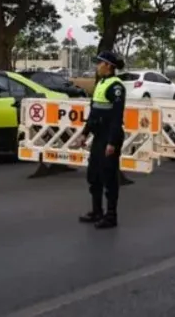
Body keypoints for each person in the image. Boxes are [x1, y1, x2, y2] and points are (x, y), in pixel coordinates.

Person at [73, 51, 127, 230]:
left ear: (109, 66)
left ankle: (111, 216)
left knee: (109, 178)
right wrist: (84, 134)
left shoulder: (116, 87)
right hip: (98, 137)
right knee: (94, 175)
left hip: (109, 137)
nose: (97, 66)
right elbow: (94, 114)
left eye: (100, 63)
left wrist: (112, 143)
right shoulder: (101, 84)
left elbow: (116, 117)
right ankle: (97, 211)